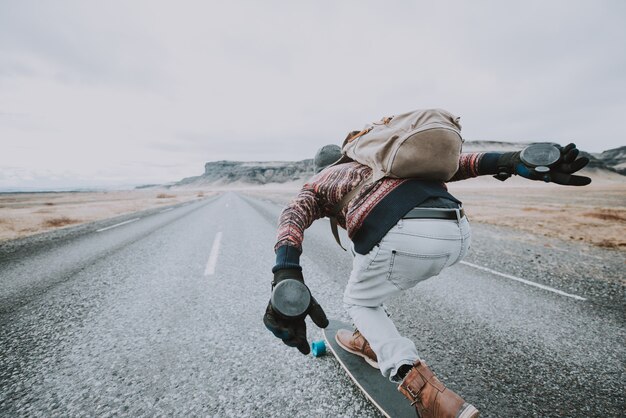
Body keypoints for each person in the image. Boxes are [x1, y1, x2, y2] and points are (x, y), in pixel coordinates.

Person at [263, 142, 590, 418]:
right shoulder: (380, 160)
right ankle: (368, 339)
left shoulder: (318, 182)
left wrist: (286, 271)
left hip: (404, 233)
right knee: (368, 270)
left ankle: (425, 391)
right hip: (457, 229)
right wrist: (509, 160)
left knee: (358, 300)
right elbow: (453, 164)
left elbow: (292, 216)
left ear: (318, 168)